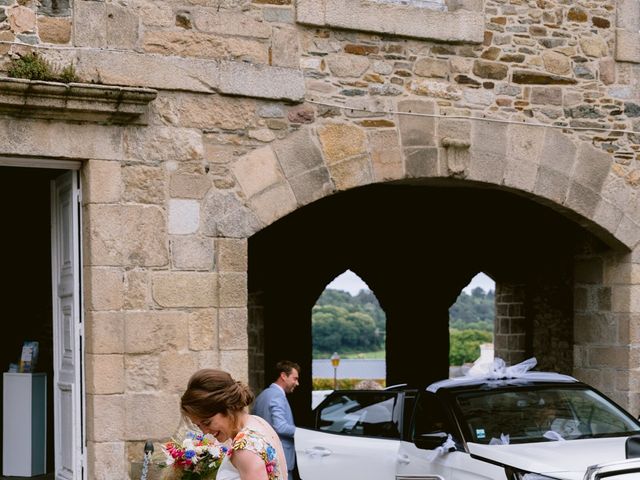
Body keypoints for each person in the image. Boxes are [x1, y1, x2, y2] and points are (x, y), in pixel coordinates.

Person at [181, 368, 287, 480]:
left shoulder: (245, 448)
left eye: (207, 422)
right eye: (198, 425)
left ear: (228, 407)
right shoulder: (257, 421)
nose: (205, 432)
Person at [252, 361, 300, 480]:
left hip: (265, 456)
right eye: (295, 378)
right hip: (280, 457)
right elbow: (280, 426)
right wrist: (303, 432)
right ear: (283, 376)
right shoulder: (277, 395)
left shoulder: (263, 395)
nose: (297, 383)